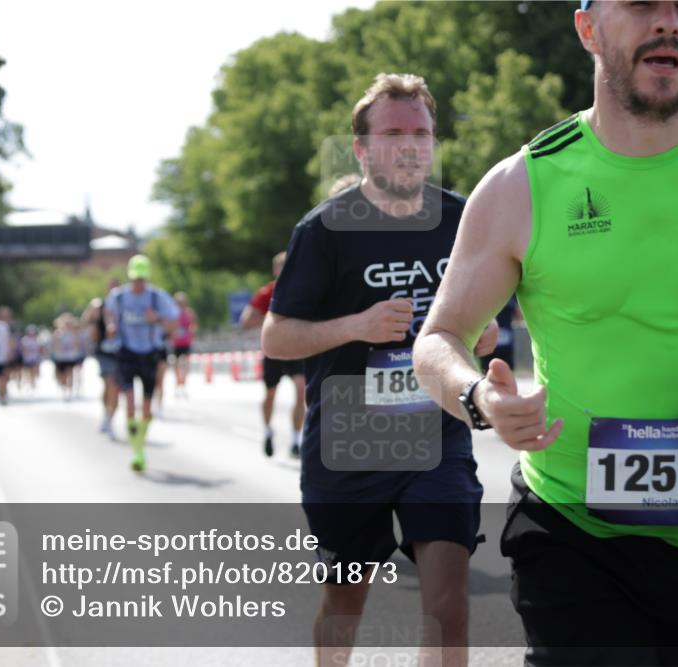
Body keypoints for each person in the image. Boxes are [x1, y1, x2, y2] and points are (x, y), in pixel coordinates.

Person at [412, 2, 678, 664]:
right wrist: (480, 398)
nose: (667, 21)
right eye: (642, 3)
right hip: (571, 531)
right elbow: (438, 338)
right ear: (587, 29)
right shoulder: (521, 185)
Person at [262, 72, 497, 667]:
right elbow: (277, 337)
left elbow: (491, 323)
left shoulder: (462, 219)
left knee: (447, 605)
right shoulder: (323, 229)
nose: (411, 144)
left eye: (422, 132)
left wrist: (480, 331)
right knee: (345, 603)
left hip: (434, 434)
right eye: (394, 133)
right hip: (349, 443)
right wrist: (355, 327)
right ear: (363, 149)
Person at [104, 254, 178, 472]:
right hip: (126, 353)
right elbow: (109, 314)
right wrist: (111, 326)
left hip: (149, 354)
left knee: (146, 407)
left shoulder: (158, 297)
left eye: (142, 279)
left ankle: (140, 446)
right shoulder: (118, 297)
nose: (138, 283)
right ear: (130, 277)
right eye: (136, 279)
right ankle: (137, 453)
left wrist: (156, 319)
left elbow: (174, 325)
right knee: (129, 401)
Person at [241, 251, 307, 458]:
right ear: (275, 270)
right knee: (271, 394)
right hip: (273, 350)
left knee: (301, 391)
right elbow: (246, 321)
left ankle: (296, 440)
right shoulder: (267, 292)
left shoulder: (303, 289)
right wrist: (274, 323)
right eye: (282, 266)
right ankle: (268, 431)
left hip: (296, 350)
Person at [84, 279, 121, 436]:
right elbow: (85, 322)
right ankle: (106, 413)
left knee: (115, 387)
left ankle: (110, 417)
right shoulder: (99, 306)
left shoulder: (127, 306)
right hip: (104, 351)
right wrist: (92, 313)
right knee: (109, 384)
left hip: (121, 352)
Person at [172, 292, 198, 397]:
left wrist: (191, 331)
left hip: (186, 342)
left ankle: (184, 384)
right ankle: (178, 384)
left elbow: (194, 325)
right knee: (177, 364)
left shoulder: (189, 313)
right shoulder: (173, 313)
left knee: (185, 364)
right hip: (176, 343)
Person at [51, 313, 80, 401]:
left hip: (70, 357)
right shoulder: (58, 333)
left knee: (70, 374)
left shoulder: (73, 333)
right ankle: (64, 389)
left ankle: (69, 391)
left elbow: (76, 344)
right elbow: (54, 345)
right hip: (60, 357)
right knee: (62, 375)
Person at [20, 325, 42, 390]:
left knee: (34, 371)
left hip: (35, 358)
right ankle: (29, 382)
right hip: (27, 358)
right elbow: (24, 349)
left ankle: (33, 382)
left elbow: (40, 349)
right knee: (28, 371)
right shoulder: (25, 339)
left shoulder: (38, 339)